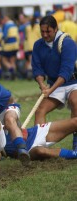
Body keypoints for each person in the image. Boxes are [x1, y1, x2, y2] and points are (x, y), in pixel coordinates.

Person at [31, 15, 77, 150]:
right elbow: (37, 68)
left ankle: (76, 139)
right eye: (42, 32)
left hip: (73, 82)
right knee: (40, 110)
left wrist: (50, 90)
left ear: (56, 28)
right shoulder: (38, 45)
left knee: (75, 102)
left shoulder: (68, 43)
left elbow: (66, 71)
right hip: (54, 85)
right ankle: (38, 145)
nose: (45, 35)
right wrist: (42, 85)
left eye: (48, 31)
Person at [4, 117, 77, 161]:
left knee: (75, 122)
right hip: (25, 152)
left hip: (35, 133)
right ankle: (74, 154)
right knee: (41, 151)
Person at [1, 15, 19, 80]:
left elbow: (5, 36)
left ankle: (11, 70)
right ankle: (15, 75)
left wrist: (2, 42)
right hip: (15, 45)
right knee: (12, 61)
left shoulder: (7, 25)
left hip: (8, 45)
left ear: (5, 19)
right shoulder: (14, 25)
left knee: (4, 60)